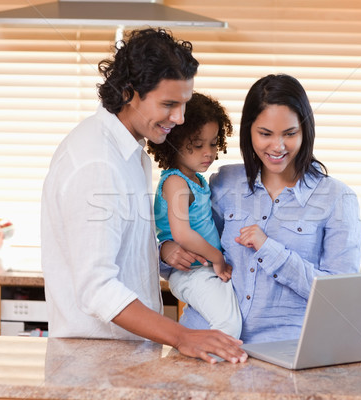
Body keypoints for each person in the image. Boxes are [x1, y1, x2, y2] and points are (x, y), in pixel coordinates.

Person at [40, 27, 247, 364]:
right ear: (128, 93)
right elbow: (97, 289)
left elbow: (121, 247)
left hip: (128, 355)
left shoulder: (131, 150)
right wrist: (182, 336)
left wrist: (163, 250)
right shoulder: (97, 162)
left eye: (183, 104)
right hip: (97, 364)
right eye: (169, 104)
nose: (179, 118)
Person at [161, 74, 361, 344]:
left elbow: (341, 297)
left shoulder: (337, 198)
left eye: (290, 134)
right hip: (203, 341)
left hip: (281, 353)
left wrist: (270, 250)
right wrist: (165, 251)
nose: (277, 146)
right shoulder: (223, 183)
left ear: (305, 131)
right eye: (265, 134)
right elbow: (193, 244)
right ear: (249, 132)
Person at [147, 92, 242, 339]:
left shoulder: (195, 179)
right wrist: (217, 257)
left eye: (213, 143)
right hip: (191, 271)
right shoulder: (176, 182)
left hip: (202, 269)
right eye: (198, 145)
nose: (208, 152)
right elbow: (182, 234)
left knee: (229, 320)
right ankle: (213, 371)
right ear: (174, 143)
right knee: (228, 326)